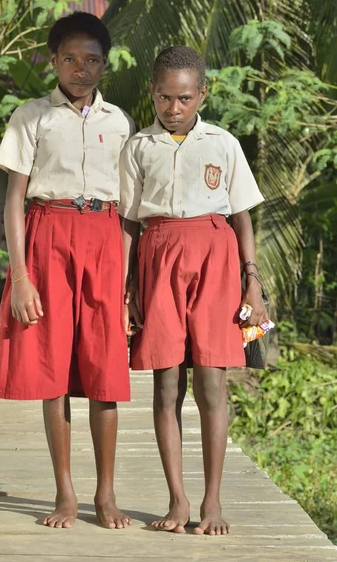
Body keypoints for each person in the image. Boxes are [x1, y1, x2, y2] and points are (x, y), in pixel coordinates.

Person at [0, 12, 135, 530]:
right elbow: (13, 202)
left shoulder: (120, 123)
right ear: (53, 61)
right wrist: (21, 275)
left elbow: (129, 211)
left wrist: (123, 286)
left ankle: (106, 494)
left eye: (92, 59)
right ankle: (66, 495)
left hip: (103, 239)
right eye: (70, 58)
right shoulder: (31, 116)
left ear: (104, 64)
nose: (81, 69)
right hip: (47, 235)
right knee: (52, 369)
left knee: (105, 372)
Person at [120, 46, 267, 536]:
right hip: (158, 256)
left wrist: (253, 281)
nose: (174, 108)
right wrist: (128, 286)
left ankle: (213, 503)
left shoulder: (223, 144)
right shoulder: (138, 146)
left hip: (216, 259)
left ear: (201, 93)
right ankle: (178, 502)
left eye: (184, 98)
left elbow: (242, 215)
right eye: (164, 97)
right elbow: (128, 222)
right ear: (152, 93)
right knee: (166, 385)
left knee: (211, 383)